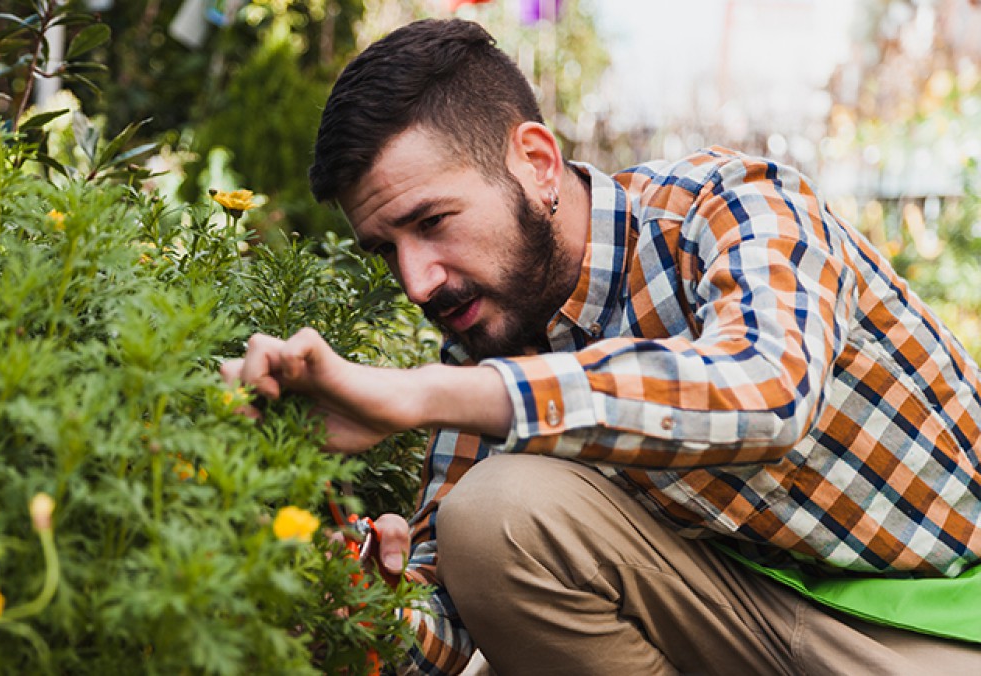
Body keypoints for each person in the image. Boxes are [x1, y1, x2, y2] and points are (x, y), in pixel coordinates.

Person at [220, 18, 981, 676]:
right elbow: (441, 640)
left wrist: (414, 394)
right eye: (387, 249)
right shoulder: (488, 352)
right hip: (742, 623)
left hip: (930, 623)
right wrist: (335, 577)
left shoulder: (731, 206)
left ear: (536, 163)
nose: (418, 282)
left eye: (432, 222)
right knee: (488, 519)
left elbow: (765, 388)